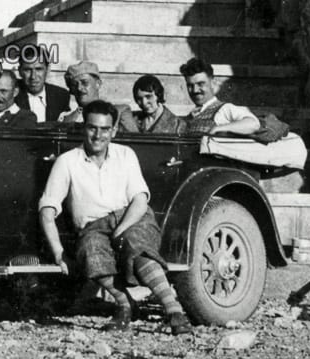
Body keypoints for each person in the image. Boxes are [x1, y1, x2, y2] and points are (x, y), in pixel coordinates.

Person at [38, 100, 194, 335]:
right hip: (93, 227)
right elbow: (47, 210)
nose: (98, 135)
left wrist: (121, 230)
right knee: (91, 252)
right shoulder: (67, 161)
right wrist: (58, 252)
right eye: (92, 128)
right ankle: (124, 305)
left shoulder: (125, 155)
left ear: (113, 131)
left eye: (104, 129)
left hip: (132, 217)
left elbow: (140, 200)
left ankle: (174, 312)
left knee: (137, 247)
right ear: (84, 128)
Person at [179, 58, 260, 136]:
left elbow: (253, 123)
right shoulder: (190, 116)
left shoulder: (225, 109)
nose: (195, 90)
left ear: (212, 83)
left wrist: (218, 129)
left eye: (201, 84)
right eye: (190, 85)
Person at [15, 54, 72, 122]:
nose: (33, 76)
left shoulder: (61, 95)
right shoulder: (10, 94)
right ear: (20, 71)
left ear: (47, 70)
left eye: (39, 69)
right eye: (27, 70)